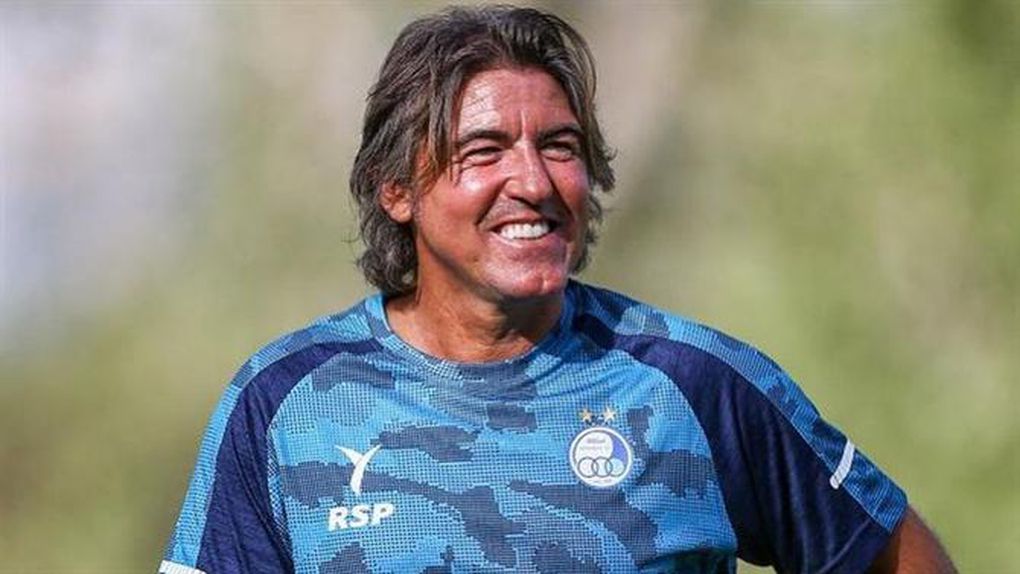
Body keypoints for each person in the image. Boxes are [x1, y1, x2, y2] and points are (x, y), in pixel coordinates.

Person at [160, 6, 956, 574]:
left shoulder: (692, 384)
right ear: (395, 189)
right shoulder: (285, 403)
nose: (534, 182)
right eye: (484, 151)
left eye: (560, 146)